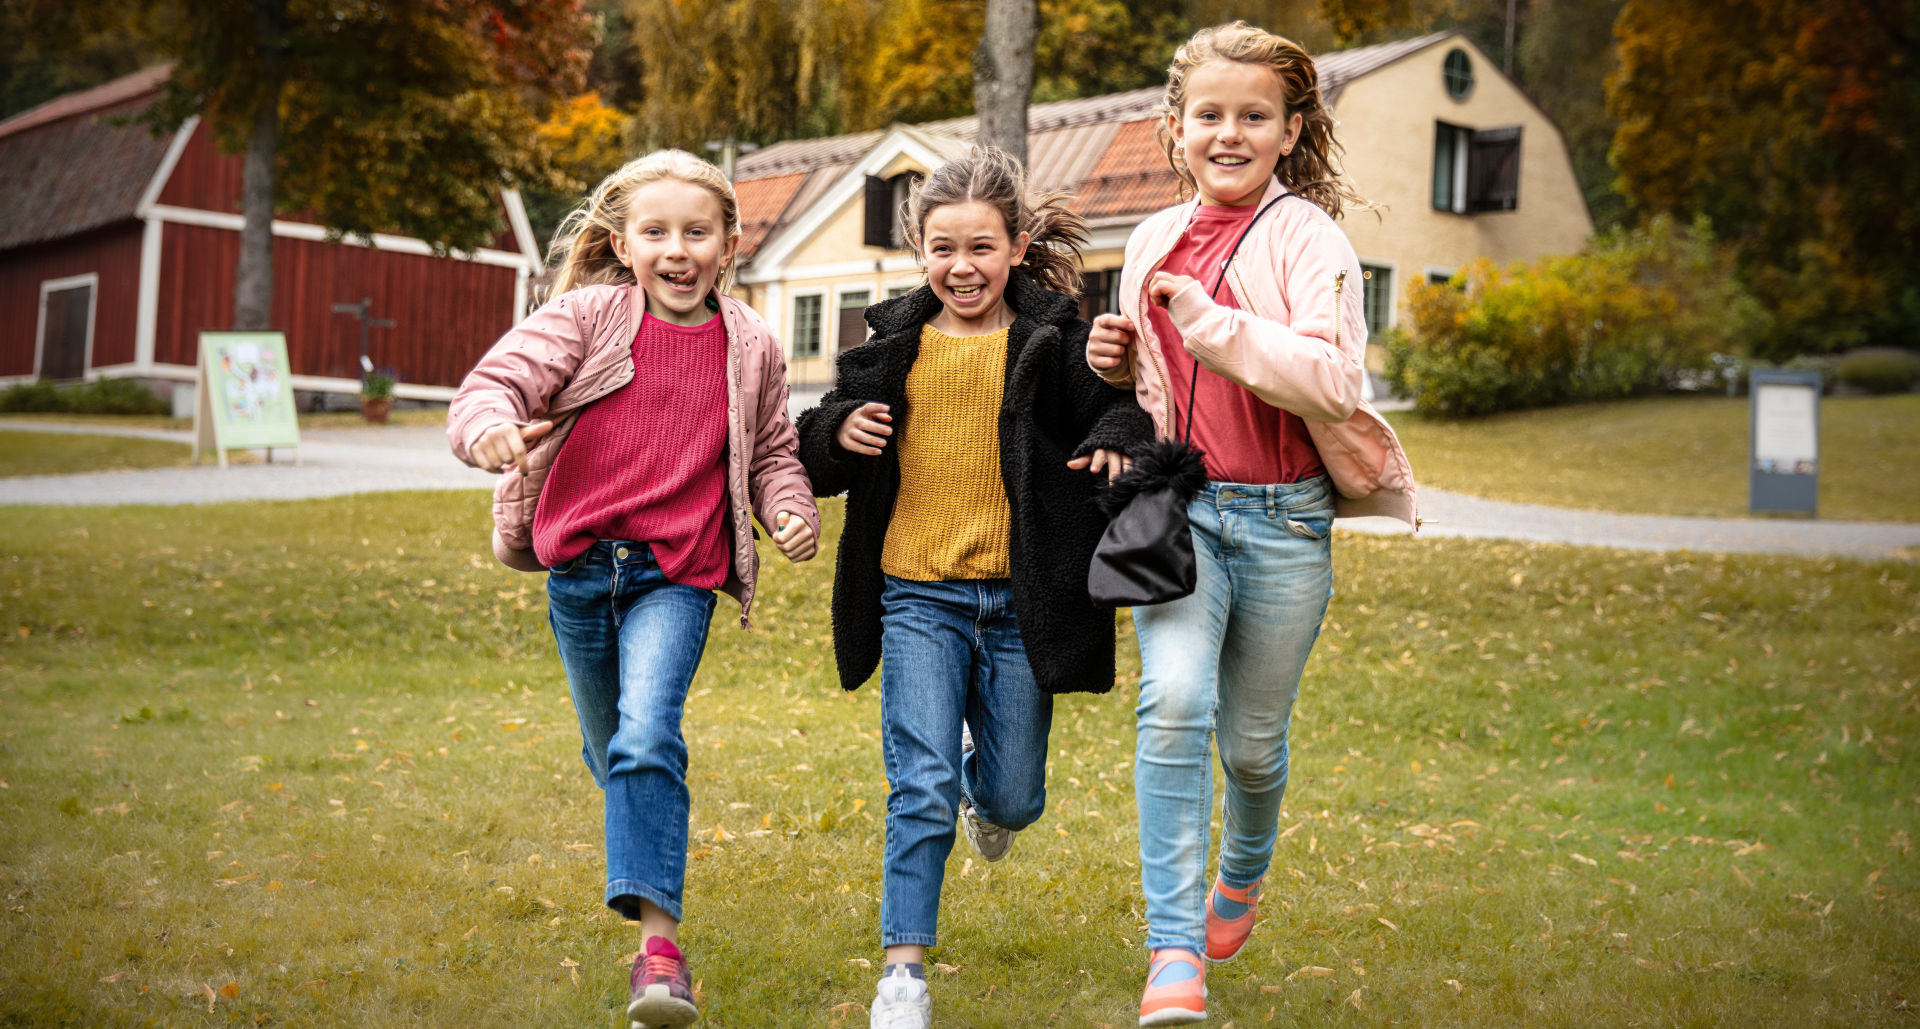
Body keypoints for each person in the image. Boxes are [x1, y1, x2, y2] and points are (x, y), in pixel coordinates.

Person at [1083, 23, 1418, 1026]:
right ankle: (1173, 953)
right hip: (1183, 514)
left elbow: (1331, 379)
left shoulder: (1309, 239)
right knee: (1175, 705)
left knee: (1254, 748)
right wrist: (1112, 366)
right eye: (1210, 116)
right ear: (1176, 128)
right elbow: (1152, 388)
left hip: (1283, 521)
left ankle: (1244, 872)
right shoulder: (1151, 237)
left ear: (1290, 130)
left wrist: (1209, 324)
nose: (1230, 134)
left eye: (1254, 117)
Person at [447, 149, 820, 1029]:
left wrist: (790, 509)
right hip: (580, 571)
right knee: (614, 747)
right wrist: (492, 429)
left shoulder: (752, 342)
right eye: (656, 232)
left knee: (648, 733)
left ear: (730, 243)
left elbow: (770, 449)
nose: (677, 249)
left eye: (698, 232)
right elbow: (492, 384)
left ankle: (659, 955)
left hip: (675, 575)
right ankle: (639, 822)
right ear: (624, 241)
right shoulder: (584, 316)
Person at [796, 147, 1152, 1029]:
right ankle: (904, 976)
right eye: (943, 248)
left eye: (982, 249)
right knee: (915, 784)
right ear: (920, 250)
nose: (962, 267)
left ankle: (980, 790)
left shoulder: (1051, 341)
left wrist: (1115, 438)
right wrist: (842, 432)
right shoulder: (891, 350)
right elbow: (813, 444)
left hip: (1019, 602)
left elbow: (1120, 408)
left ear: (1018, 246)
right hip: (917, 596)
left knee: (1013, 796)